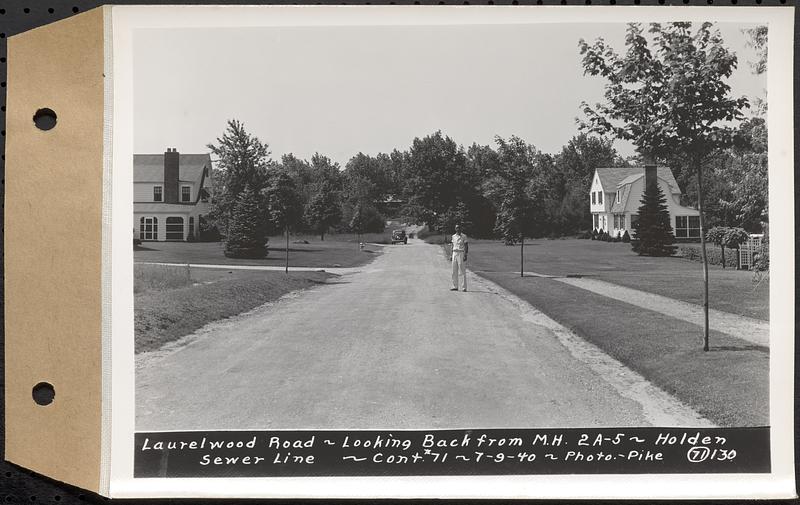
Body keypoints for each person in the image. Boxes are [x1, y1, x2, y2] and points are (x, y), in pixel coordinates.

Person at [450, 224, 469, 292]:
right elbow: (452, 245)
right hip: (454, 253)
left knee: (462, 270)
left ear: (461, 229)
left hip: (461, 252)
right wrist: (450, 254)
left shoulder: (464, 236)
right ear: (455, 229)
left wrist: (465, 255)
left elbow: (466, 246)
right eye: (456, 228)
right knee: (454, 271)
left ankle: (464, 287)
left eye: (459, 228)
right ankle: (455, 286)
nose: (458, 229)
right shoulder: (453, 236)